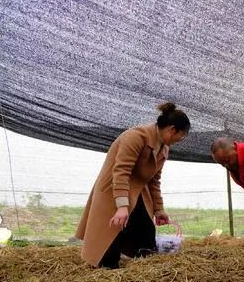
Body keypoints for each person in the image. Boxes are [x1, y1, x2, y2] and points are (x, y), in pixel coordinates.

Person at [76, 102, 190, 268]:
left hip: (138, 193)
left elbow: (154, 181)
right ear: (172, 129)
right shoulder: (136, 136)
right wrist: (122, 206)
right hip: (114, 190)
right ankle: (108, 267)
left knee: (146, 236)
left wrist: (159, 209)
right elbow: (121, 171)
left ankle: (141, 269)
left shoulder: (164, 149)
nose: (179, 140)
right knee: (110, 240)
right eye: (180, 136)